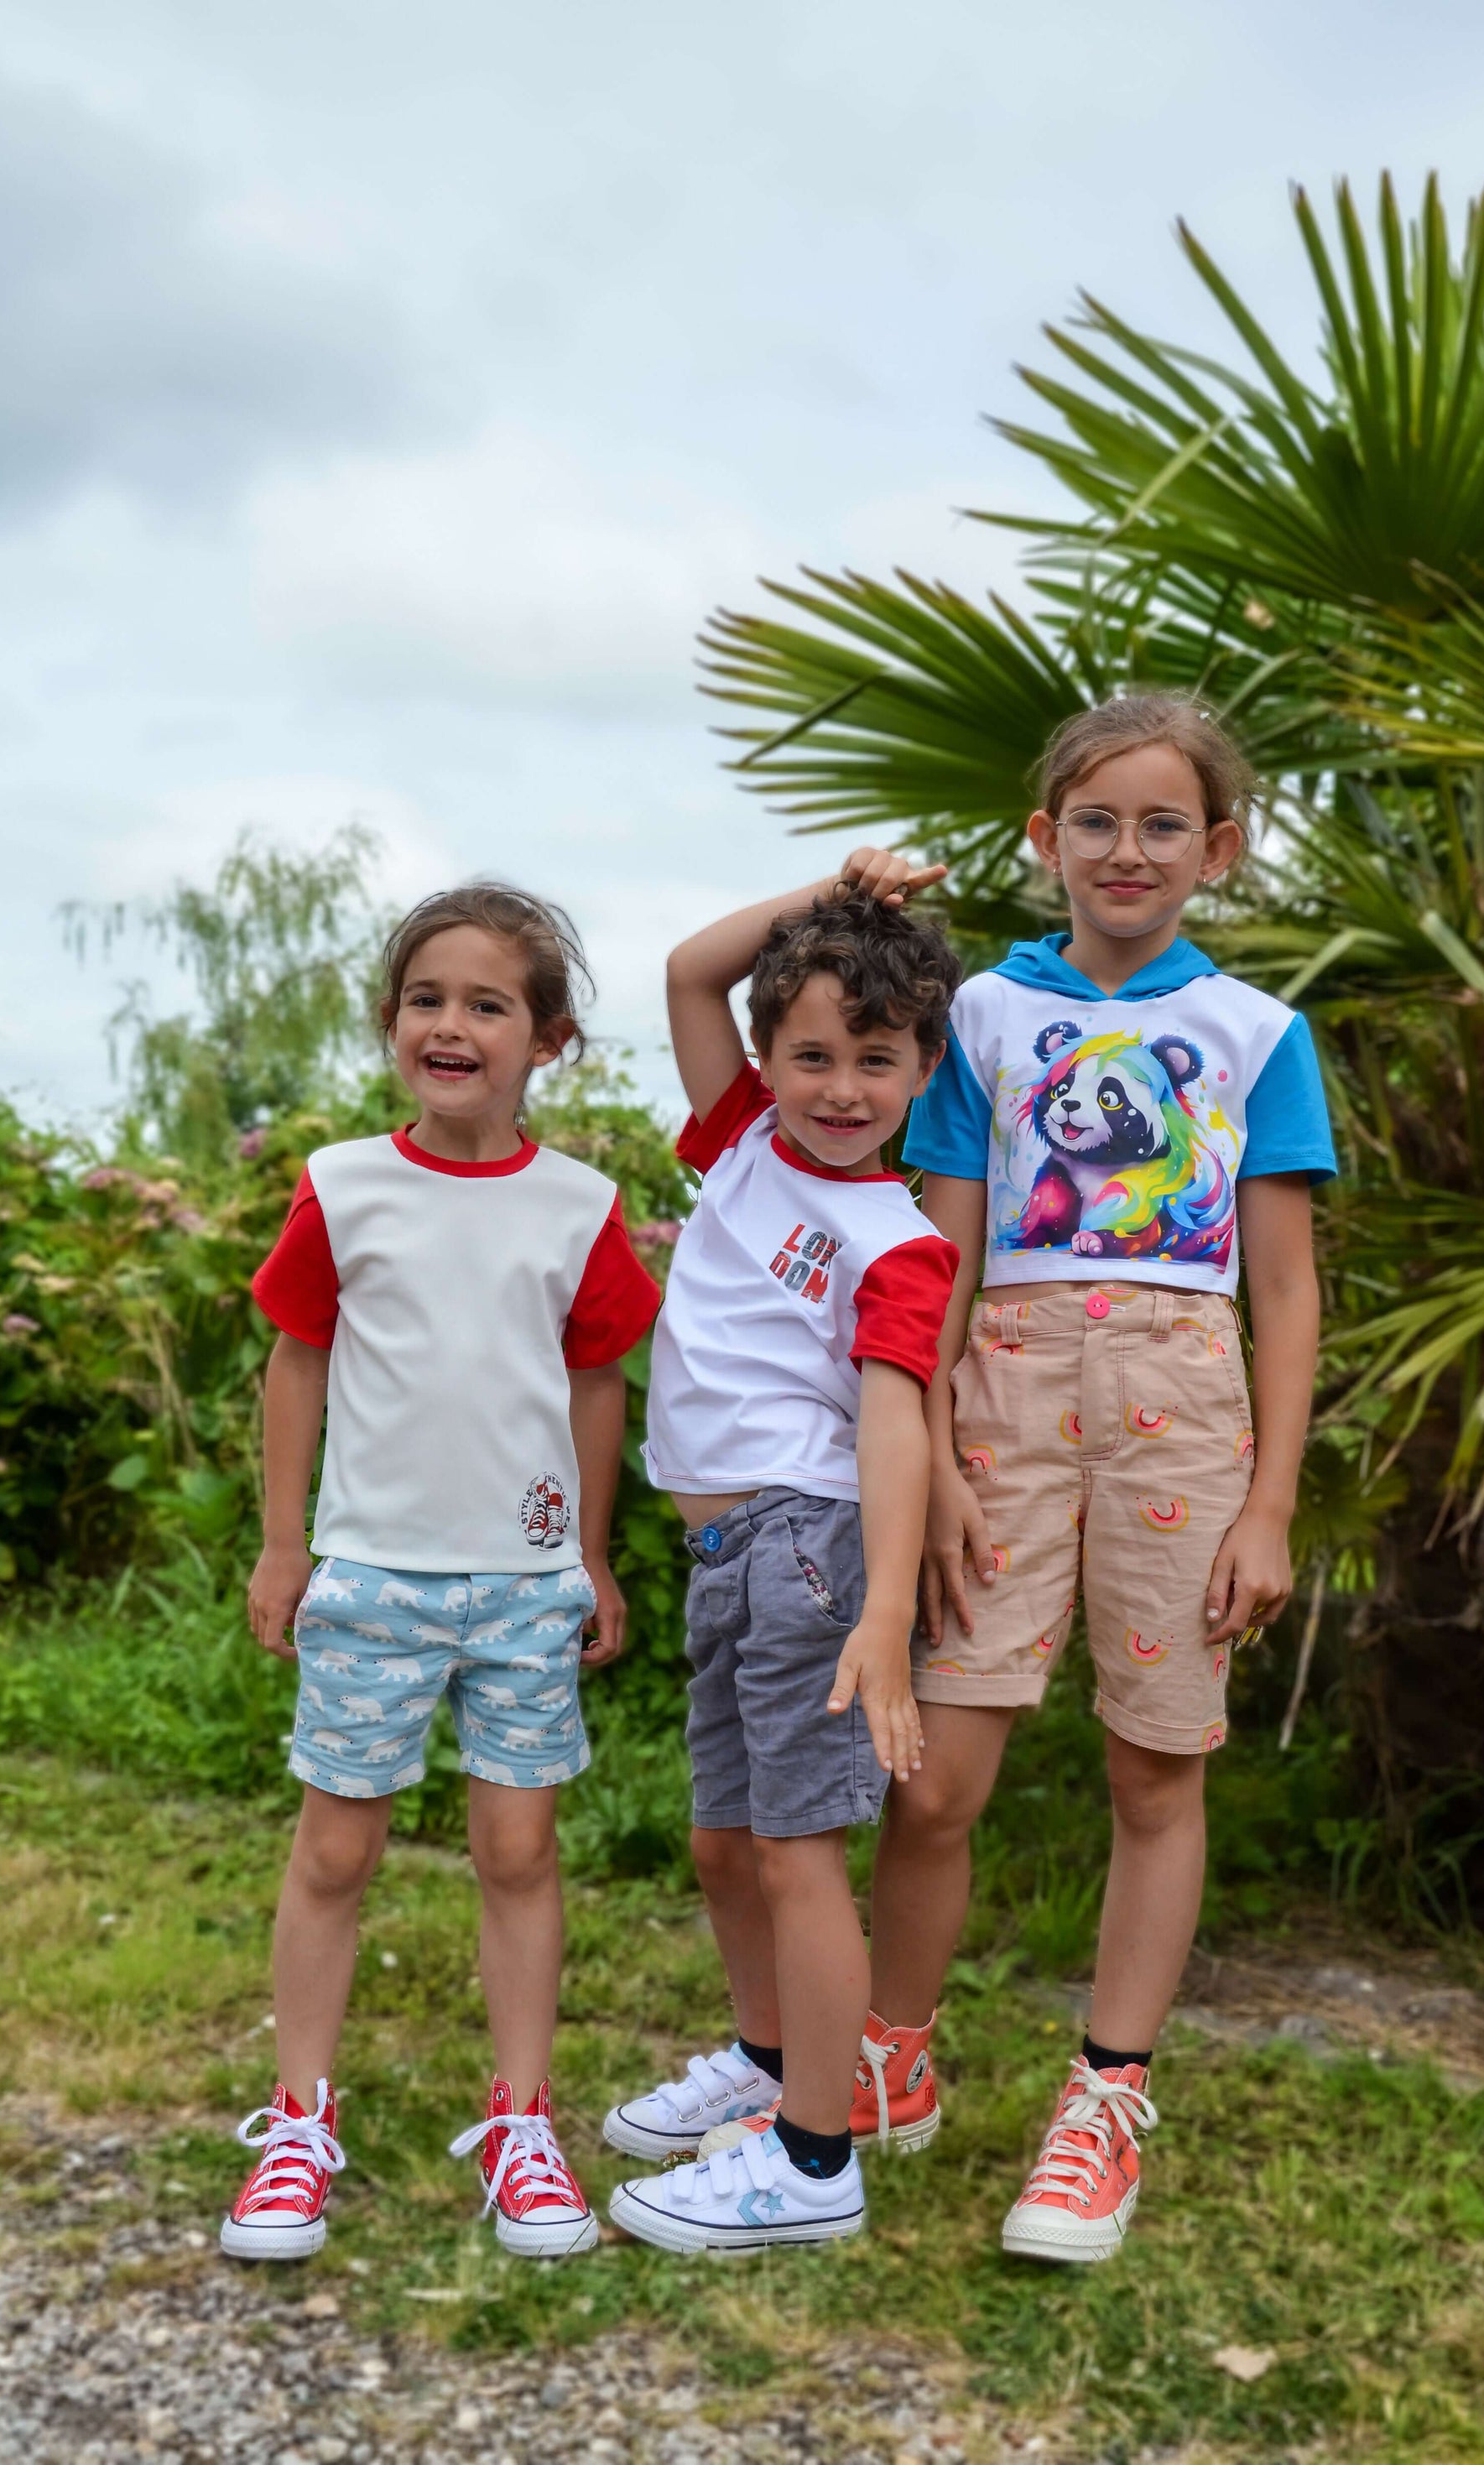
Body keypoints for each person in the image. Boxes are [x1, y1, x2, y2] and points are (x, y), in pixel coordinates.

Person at [875, 692, 1336, 2264]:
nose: (1123, 850)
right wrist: (929, 1452)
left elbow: (1282, 1288)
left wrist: (1267, 1499)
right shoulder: (985, 1020)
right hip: (1000, 1396)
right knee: (939, 1771)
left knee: (1157, 1765)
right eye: (1094, 821)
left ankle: (1105, 2098)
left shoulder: (1259, 1034)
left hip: (1183, 1412)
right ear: (1042, 837)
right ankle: (887, 2051)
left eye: (1158, 825)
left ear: (1214, 849)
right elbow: (934, 1248)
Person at [220, 883, 660, 2265]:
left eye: (489, 1003)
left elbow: (596, 1383)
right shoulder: (344, 1184)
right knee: (337, 1846)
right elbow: (298, 1362)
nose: (453, 1023)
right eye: (428, 998)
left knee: (518, 1850)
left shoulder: (578, 1204)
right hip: (371, 1577)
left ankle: (523, 2119)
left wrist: (589, 1554)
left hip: (526, 1584)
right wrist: (285, 1541)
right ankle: (297, 2119)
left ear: (550, 1040)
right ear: (393, 1023)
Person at [602, 861, 961, 2252]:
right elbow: (694, 968)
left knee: (800, 1853)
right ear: (767, 1061)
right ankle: (765, 2071)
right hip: (732, 1557)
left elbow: (893, 1428)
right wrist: (839, 890)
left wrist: (882, 1611)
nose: (840, 1087)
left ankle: (813, 2161)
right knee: (726, 1839)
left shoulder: (900, 1242)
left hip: (809, 1551)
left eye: (876, 1060)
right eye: (809, 1053)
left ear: (923, 1066)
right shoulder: (742, 1137)